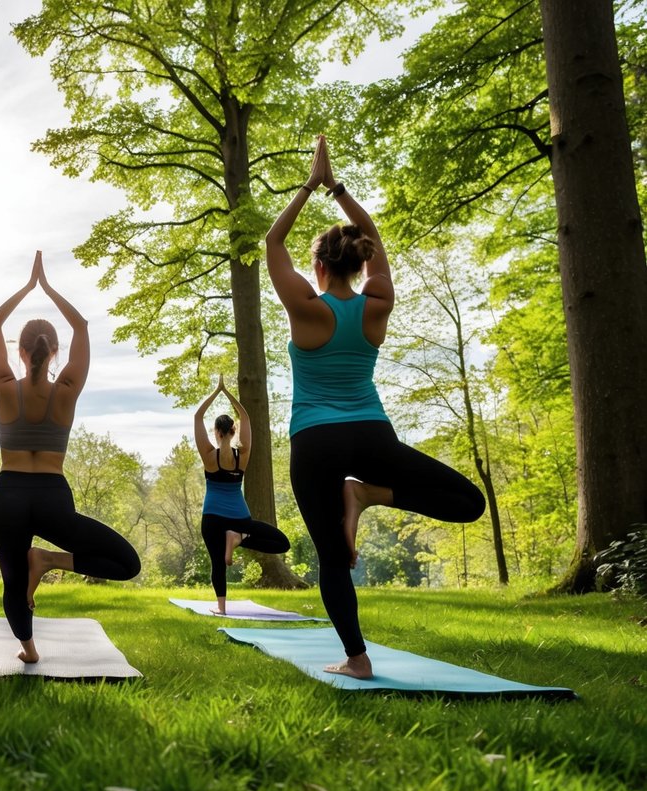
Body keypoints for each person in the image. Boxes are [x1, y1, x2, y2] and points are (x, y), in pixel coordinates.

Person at [265, 136, 485, 679]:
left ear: (317, 267)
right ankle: (367, 493)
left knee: (332, 558)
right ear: (358, 266)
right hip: (370, 434)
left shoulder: (304, 307)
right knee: (467, 501)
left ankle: (357, 659)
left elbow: (273, 243)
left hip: (314, 440)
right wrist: (338, 189)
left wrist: (308, 187)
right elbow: (376, 238)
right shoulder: (377, 303)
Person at [0, 251, 141, 663]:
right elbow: (82, 326)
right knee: (127, 563)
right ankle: (51, 559)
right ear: (54, 351)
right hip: (53, 496)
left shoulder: (4, 386)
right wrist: (48, 287)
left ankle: (30, 651)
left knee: (14, 582)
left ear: (21, 351)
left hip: (10, 494)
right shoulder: (67, 389)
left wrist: (27, 286)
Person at [193, 375, 291, 614]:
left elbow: (197, 417)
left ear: (216, 432)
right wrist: (228, 394)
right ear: (233, 431)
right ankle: (238, 538)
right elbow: (245, 416)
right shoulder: (242, 455)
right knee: (282, 543)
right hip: (240, 519)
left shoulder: (209, 455)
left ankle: (222, 608)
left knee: (218, 563)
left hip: (212, 517)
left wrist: (216, 391)